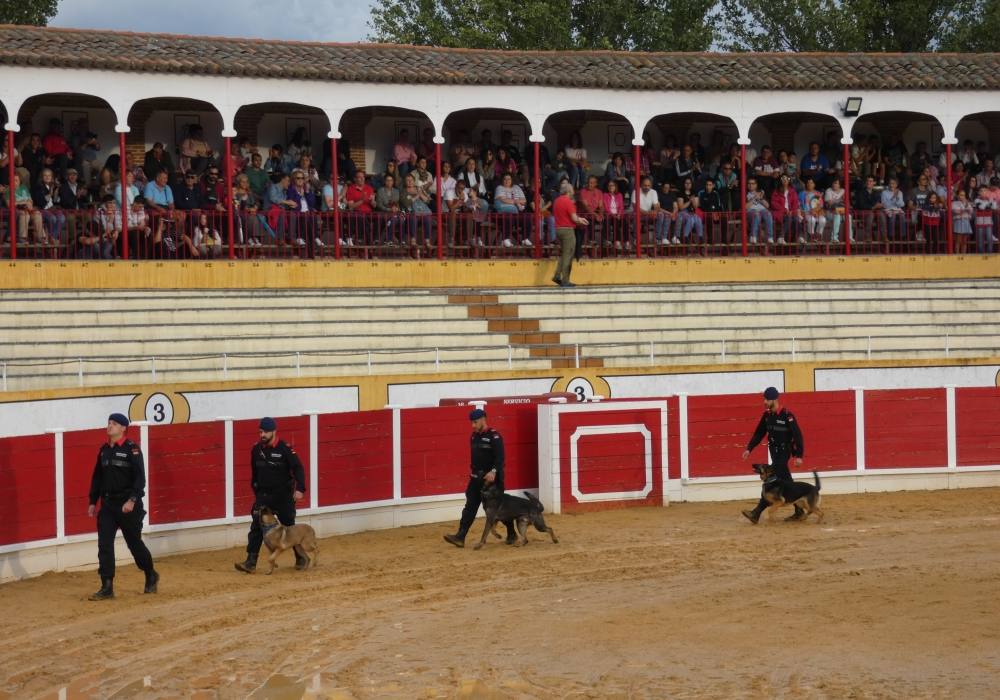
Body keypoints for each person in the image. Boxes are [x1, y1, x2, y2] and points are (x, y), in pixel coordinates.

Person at [87, 413, 159, 600]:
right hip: (109, 505)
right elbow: (97, 478)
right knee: (104, 544)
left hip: (128, 506)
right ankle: (107, 586)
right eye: (109, 422)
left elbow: (140, 478)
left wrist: (132, 500)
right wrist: (93, 501)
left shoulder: (132, 449)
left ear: (123, 428)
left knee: (134, 544)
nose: (109, 426)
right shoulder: (103, 450)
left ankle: (150, 573)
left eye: (114, 423)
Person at [235, 417, 307, 573]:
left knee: (290, 527)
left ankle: (301, 557)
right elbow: (255, 473)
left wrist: (300, 488)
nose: (262, 435)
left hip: (283, 496)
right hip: (264, 496)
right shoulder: (256, 450)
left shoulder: (285, 449)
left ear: (274, 431)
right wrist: (257, 492)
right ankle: (251, 562)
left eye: (266, 432)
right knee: (256, 526)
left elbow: (298, 468)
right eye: (261, 431)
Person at [443, 409, 516, 548]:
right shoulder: (473, 436)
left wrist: (493, 472)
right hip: (477, 478)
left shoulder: (495, 436)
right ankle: (460, 536)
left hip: (492, 481)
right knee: (470, 506)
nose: (473, 425)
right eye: (472, 422)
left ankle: (512, 533)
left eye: (475, 422)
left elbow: (500, 459)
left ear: (483, 419)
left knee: (498, 509)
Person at [740, 387, 805, 524]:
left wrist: (799, 455)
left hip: (783, 452)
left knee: (770, 481)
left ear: (775, 399)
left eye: (767, 399)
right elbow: (759, 433)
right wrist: (749, 449)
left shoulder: (787, 415)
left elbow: (797, 436)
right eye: (764, 399)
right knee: (787, 481)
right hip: (774, 452)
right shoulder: (767, 416)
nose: (765, 401)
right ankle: (799, 511)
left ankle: (756, 512)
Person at [552, 181, 588, 287]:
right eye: (571, 190)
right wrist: (581, 221)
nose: (573, 192)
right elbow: (574, 218)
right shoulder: (568, 202)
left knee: (564, 254)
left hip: (558, 229)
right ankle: (565, 280)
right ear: (568, 191)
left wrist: (579, 219)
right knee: (568, 255)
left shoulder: (557, 201)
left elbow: (568, 216)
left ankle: (557, 275)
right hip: (568, 231)